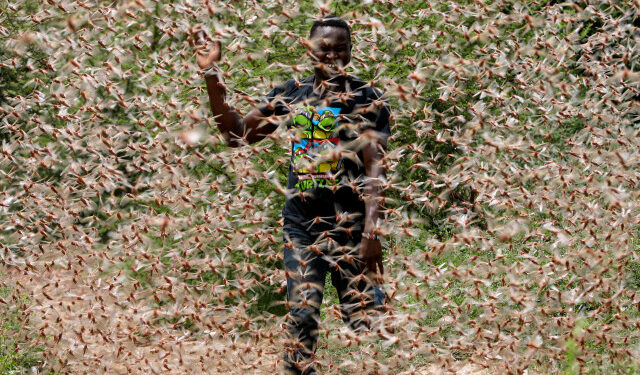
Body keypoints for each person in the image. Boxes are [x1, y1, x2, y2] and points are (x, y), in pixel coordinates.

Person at [190, 15, 391, 375]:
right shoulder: (292, 93)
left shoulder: (367, 97)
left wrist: (373, 232)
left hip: (351, 226)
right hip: (301, 225)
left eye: (340, 49)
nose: (331, 56)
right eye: (323, 49)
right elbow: (237, 134)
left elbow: (376, 166)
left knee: (367, 323)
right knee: (302, 316)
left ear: (350, 50)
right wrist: (211, 74)